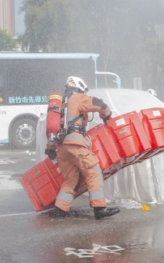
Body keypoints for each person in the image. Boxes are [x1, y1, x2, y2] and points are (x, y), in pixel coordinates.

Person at [45, 76, 119, 220]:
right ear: (79, 88)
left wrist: (50, 147)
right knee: (93, 172)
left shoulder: (60, 105)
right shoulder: (77, 98)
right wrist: (107, 116)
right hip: (76, 145)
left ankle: (61, 210)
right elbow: (99, 104)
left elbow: (53, 128)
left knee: (70, 180)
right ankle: (99, 208)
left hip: (61, 149)